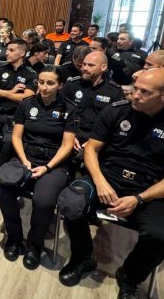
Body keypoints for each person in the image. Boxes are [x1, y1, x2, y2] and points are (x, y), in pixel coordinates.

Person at [59, 68, 164, 299]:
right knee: (70, 202)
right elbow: (91, 149)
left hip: (149, 189)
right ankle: (83, 257)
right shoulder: (116, 111)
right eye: (135, 89)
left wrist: (139, 199)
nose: (135, 95)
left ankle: (129, 275)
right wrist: (101, 182)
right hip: (106, 178)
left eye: (145, 92)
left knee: (159, 234)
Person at [0, 66, 76, 269]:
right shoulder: (26, 104)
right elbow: (16, 136)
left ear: (60, 85)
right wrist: (24, 161)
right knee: (4, 188)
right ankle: (14, 238)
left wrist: (48, 168)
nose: (44, 87)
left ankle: (34, 245)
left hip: (54, 163)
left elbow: (67, 145)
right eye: (41, 82)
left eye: (50, 83)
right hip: (27, 156)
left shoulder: (68, 108)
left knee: (43, 201)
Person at [61, 51, 124, 169]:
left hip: (97, 139)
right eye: (84, 64)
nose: (84, 68)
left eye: (90, 65)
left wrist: (93, 142)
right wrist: (70, 136)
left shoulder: (114, 90)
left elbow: (115, 123)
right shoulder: (72, 84)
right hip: (69, 134)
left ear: (103, 67)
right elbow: (60, 110)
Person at [0, 39, 37, 169]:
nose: (7, 53)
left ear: (22, 53)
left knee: (9, 142)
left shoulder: (30, 74)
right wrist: (12, 92)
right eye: (7, 49)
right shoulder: (0, 69)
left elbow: (26, 98)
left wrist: (2, 93)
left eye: (11, 50)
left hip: (15, 116)